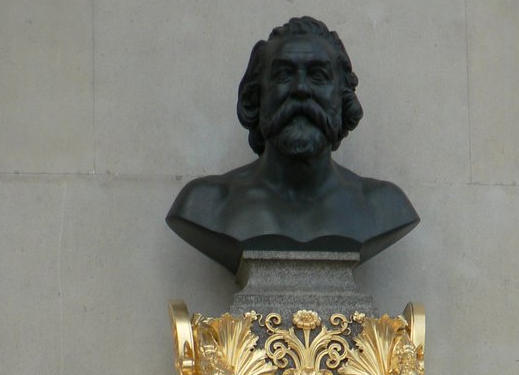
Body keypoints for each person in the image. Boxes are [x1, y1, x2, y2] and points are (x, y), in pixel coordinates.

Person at [166, 16, 419, 272]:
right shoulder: (208, 204)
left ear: (343, 99)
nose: (300, 89)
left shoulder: (382, 206)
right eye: (283, 75)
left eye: (318, 76)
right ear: (256, 97)